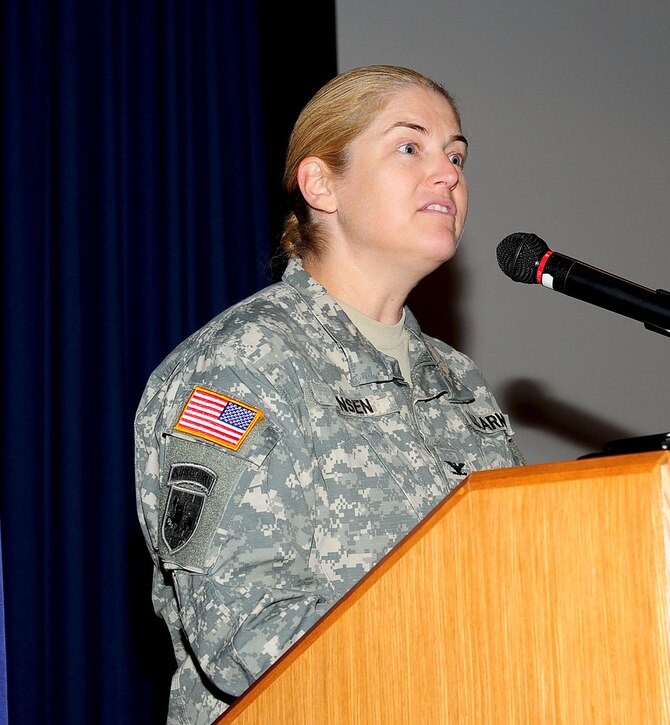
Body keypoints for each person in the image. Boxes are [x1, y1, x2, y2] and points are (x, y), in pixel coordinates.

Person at [134, 65, 523, 725]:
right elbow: (247, 630)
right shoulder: (241, 364)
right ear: (321, 184)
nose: (448, 174)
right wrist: (456, 670)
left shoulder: (458, 380)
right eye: (410, 147)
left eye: (456, 156)